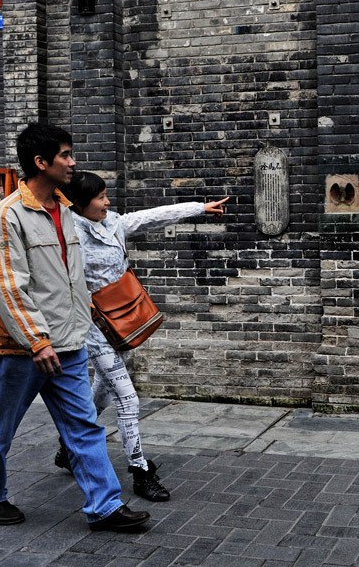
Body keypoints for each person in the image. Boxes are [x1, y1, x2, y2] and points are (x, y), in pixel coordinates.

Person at [0, 123, 149, 533]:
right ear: (41, 162)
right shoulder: (8, 215)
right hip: (22, 350)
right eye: (65, 155)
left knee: (84, 427)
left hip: (68, 344)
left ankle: (105, 506)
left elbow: (74, 277)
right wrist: (36, 341)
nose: (72, 162)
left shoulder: (67, 211)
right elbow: (8, 284)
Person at [53, 170, 228, 501]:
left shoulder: (114, 223)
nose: (107, 202)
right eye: (100, 197)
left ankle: (68, 442)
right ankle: (139, 470)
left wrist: (199, 208)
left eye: (106, 196)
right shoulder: (68, 232)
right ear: (80, 202)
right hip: (96, 328)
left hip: (125, 320)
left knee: (104, 387)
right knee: (128, 399)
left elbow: (151, 218)